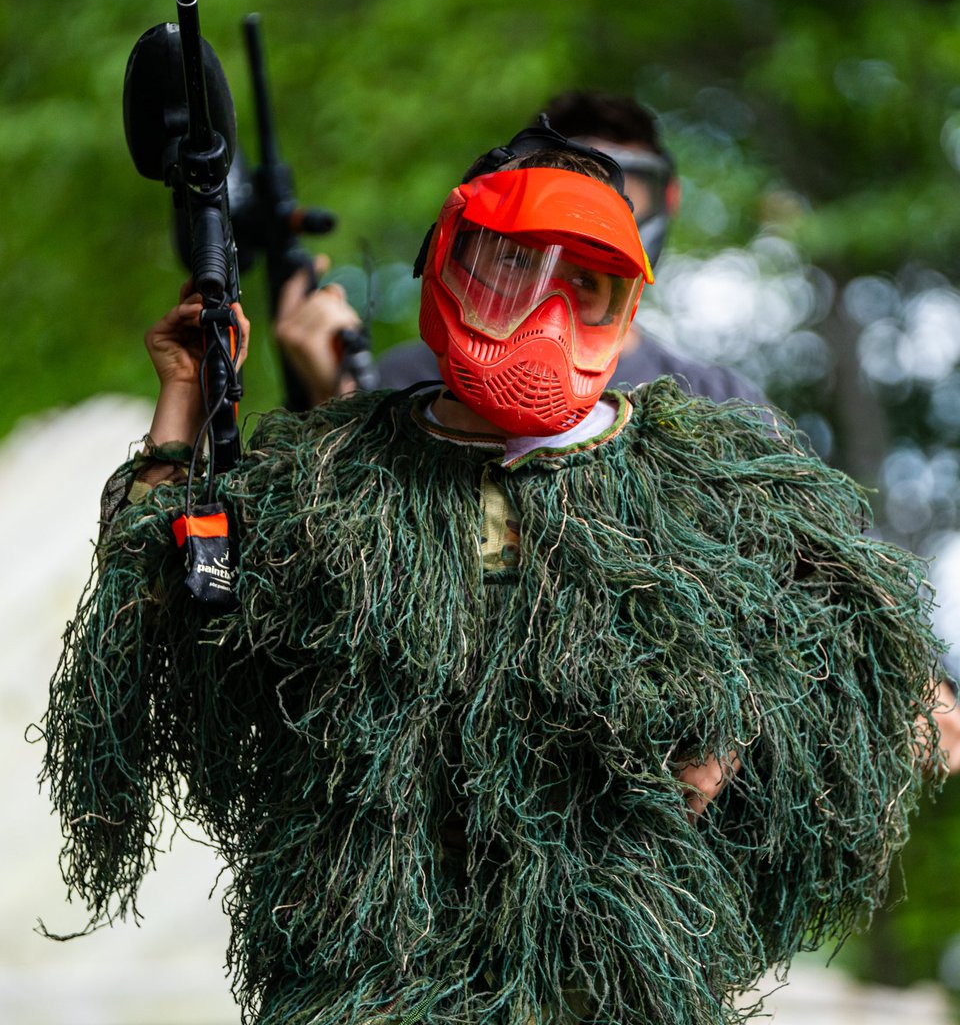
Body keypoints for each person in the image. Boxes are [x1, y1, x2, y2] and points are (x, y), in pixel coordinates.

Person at [44, 128, 944, 1025]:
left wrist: (735, 740)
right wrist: (185, 404)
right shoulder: (333, 480)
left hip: (612, 980)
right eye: (514, 268)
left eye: (585, 286)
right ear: (448, 263)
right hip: (367, 972)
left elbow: (872, 695)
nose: (547, 311)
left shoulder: (708, 488)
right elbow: (156, 618)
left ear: (626, 306)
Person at [274, 91, 763, 408]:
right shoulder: (404, 384)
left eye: (621, 203)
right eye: (517, 258)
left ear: (667, 203)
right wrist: (335, 398)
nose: (553, 296)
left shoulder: (721, 403)